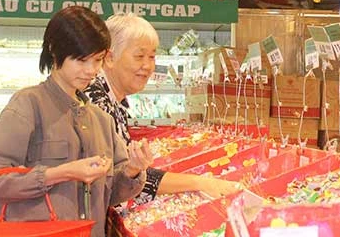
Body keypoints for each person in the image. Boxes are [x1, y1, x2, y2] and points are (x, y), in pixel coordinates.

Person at [0, 6, 154, 236]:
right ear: (55, 51)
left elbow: (109, 195)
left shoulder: (101, 120)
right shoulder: (27, 105)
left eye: (97, 60)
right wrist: (61, 173)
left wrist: (133, 169)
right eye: (81, 60)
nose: (91, 70)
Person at [85, 13, 240, 202]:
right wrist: (199, 183)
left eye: (152, 56)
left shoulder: (113, 100)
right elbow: (116, 180)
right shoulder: (96, 102)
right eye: (139, 56)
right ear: (110, 58)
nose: (148, 65)